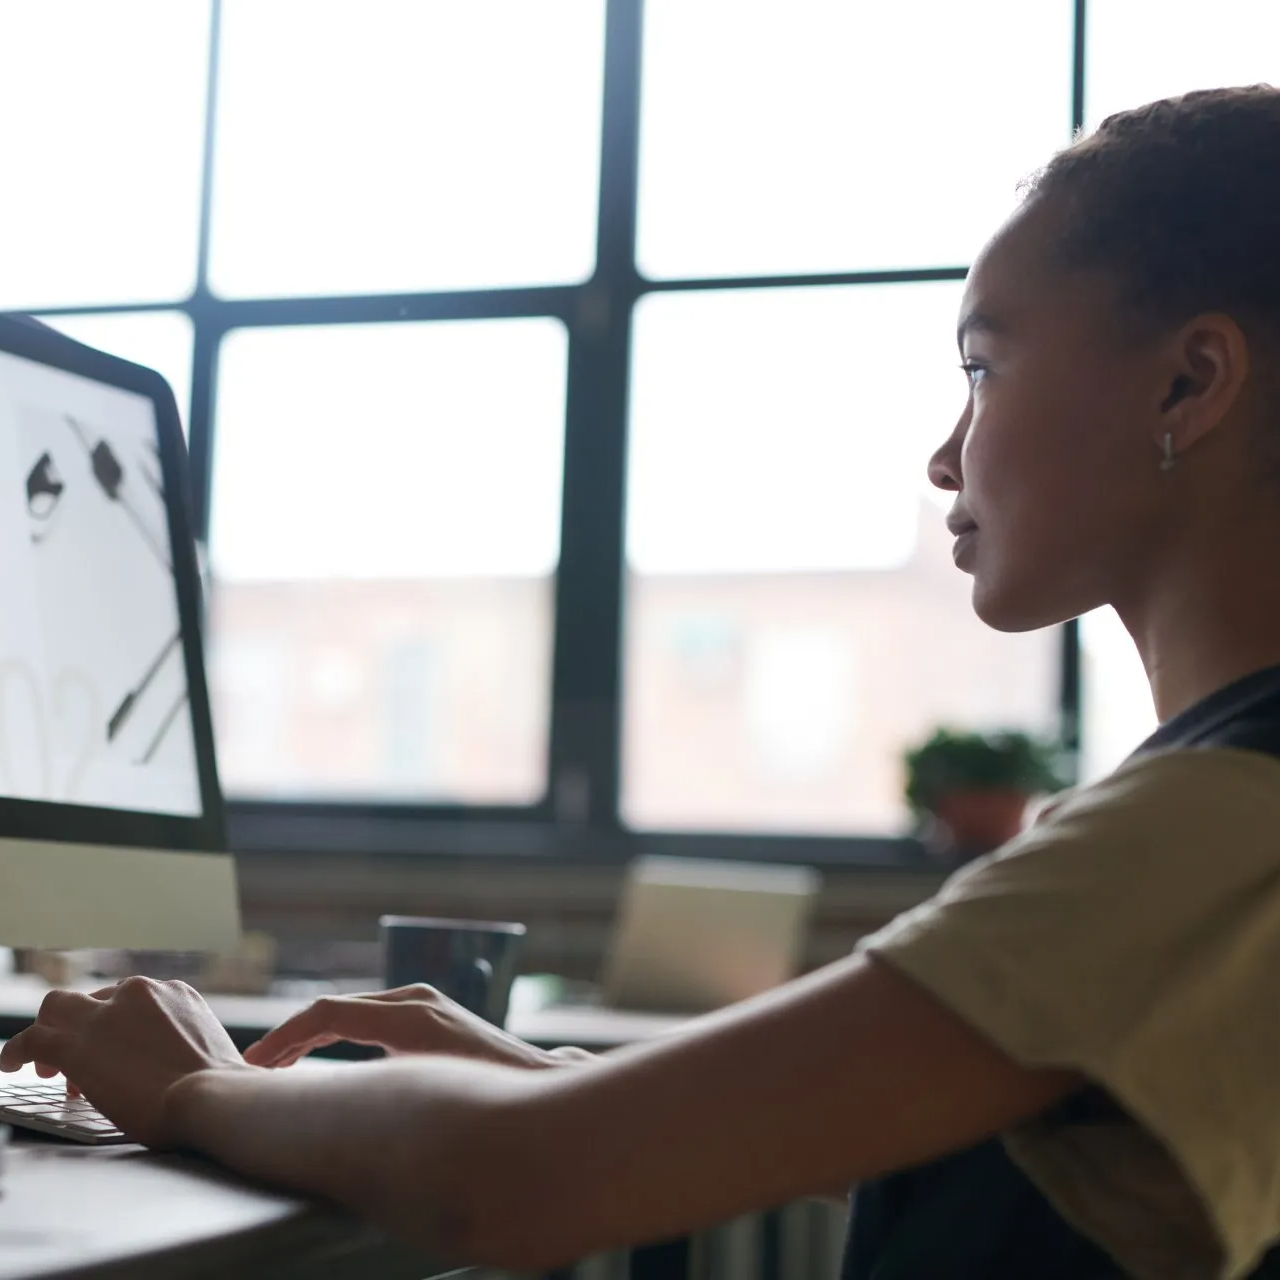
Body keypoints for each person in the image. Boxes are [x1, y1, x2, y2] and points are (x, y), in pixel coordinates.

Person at [7, 83, 1280, 1279]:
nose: (944, 455)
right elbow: (956, 1149)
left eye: (981, 366)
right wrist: (551, 1075)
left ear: (1187, 378)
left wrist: (193, 1087)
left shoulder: (1218, 820)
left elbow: (508, 1182)